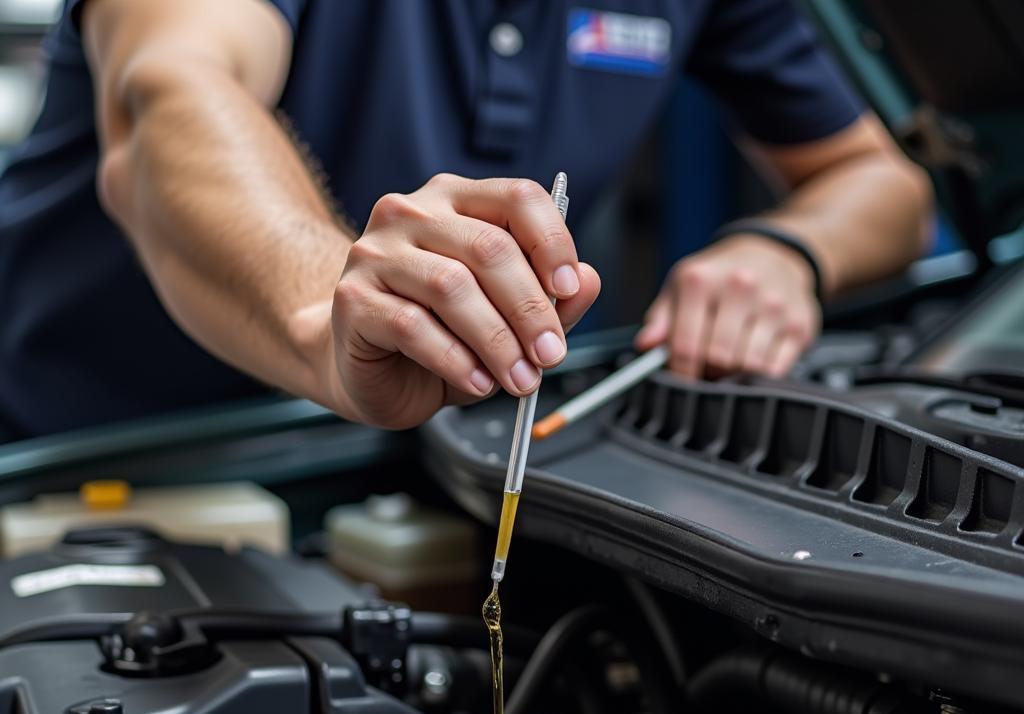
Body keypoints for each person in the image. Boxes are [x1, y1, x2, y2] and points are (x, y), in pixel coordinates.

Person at [0, 0, 931, 440]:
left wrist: (785, 252)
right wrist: (330, 319)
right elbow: (171, 99)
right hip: (97, 465)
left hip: (426, 471)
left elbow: (882, 181)